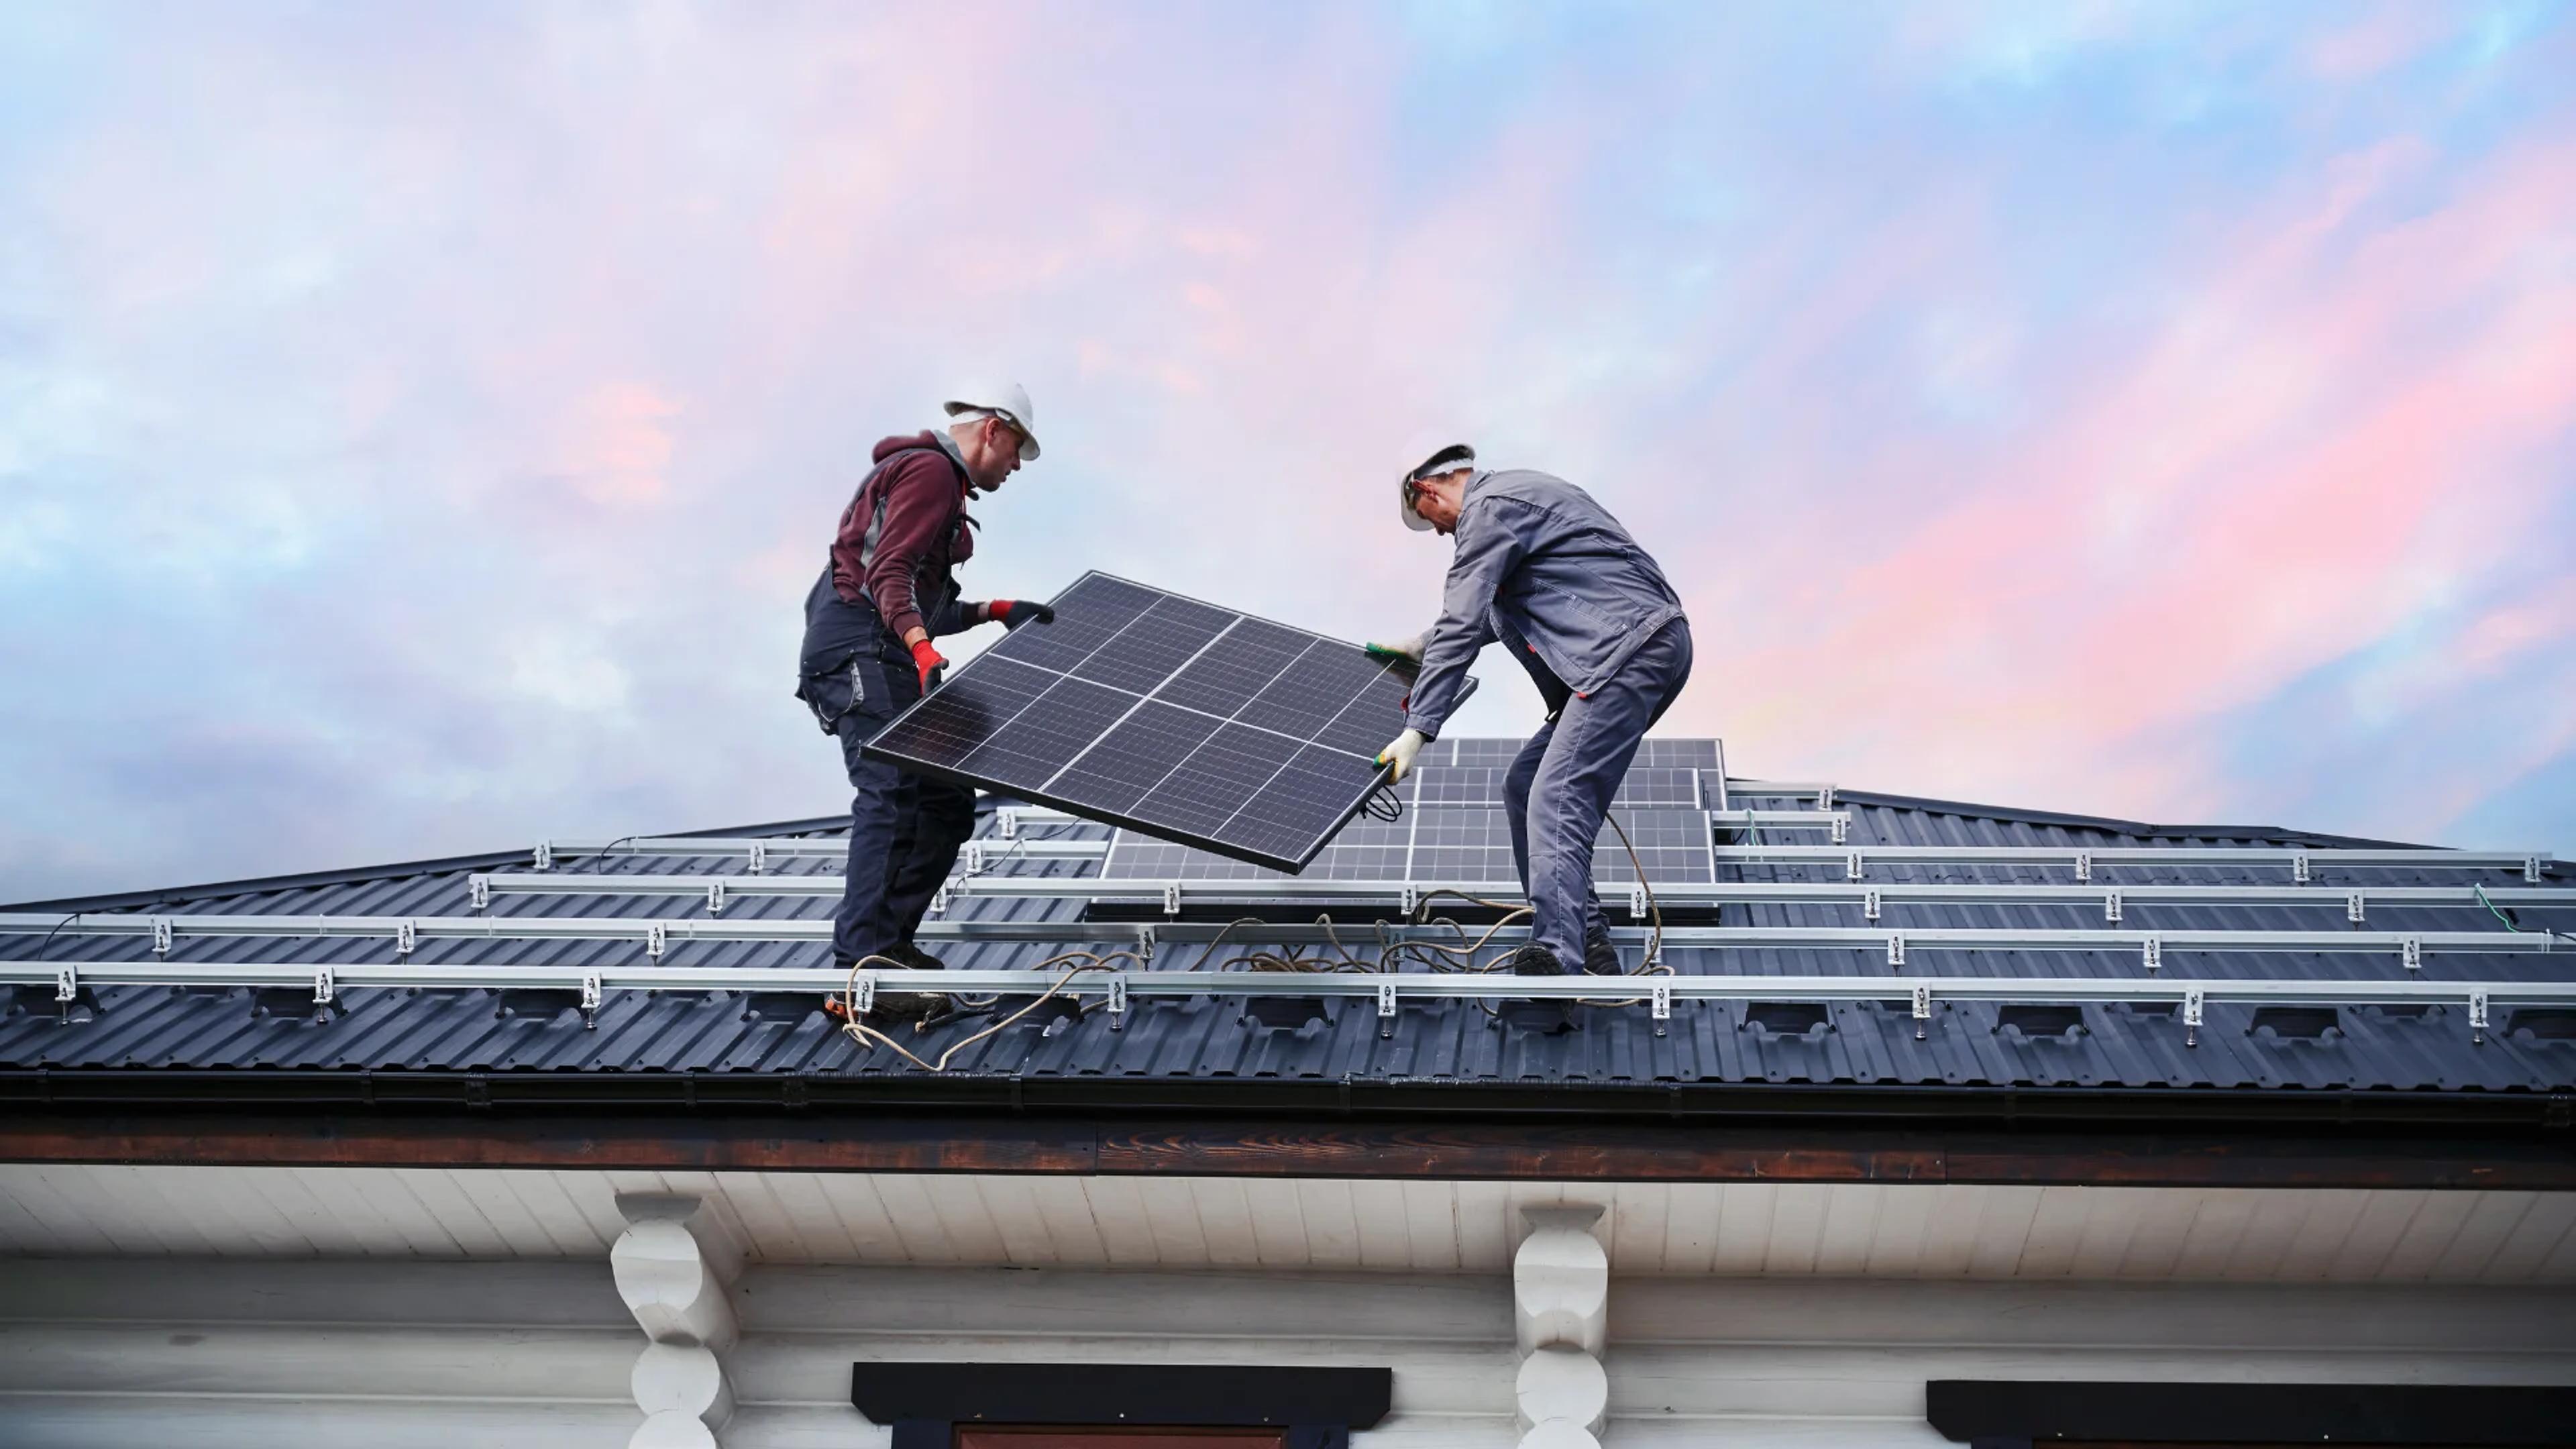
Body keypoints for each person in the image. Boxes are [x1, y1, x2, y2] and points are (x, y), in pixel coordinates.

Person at [1369, 444, 1693, 977]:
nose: (1444, 535)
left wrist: (1418, 729)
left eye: (1435, 525)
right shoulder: (1522, 492)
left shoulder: (1488, 508)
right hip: (1642, 646)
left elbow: (1462, 616)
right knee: (1526, 784)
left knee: (1556, 795)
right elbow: (1485, 614)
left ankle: (1559, 955)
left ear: (1428, 489)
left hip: (1623, 652)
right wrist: (1422, 645)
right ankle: (1587, 940)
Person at [795, 383, 1058, 994]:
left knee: (945, 799)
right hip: (859, 648)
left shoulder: (935, 481)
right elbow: (887, 575)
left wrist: (994, 609)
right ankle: (863, 960)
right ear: (993, 429)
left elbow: (917, 600)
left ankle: (893, 943)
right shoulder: (932, 472)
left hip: (881, 643)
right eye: (1017, 449)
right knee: (891, 791)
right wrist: (918, 646)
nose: (1016, 466)